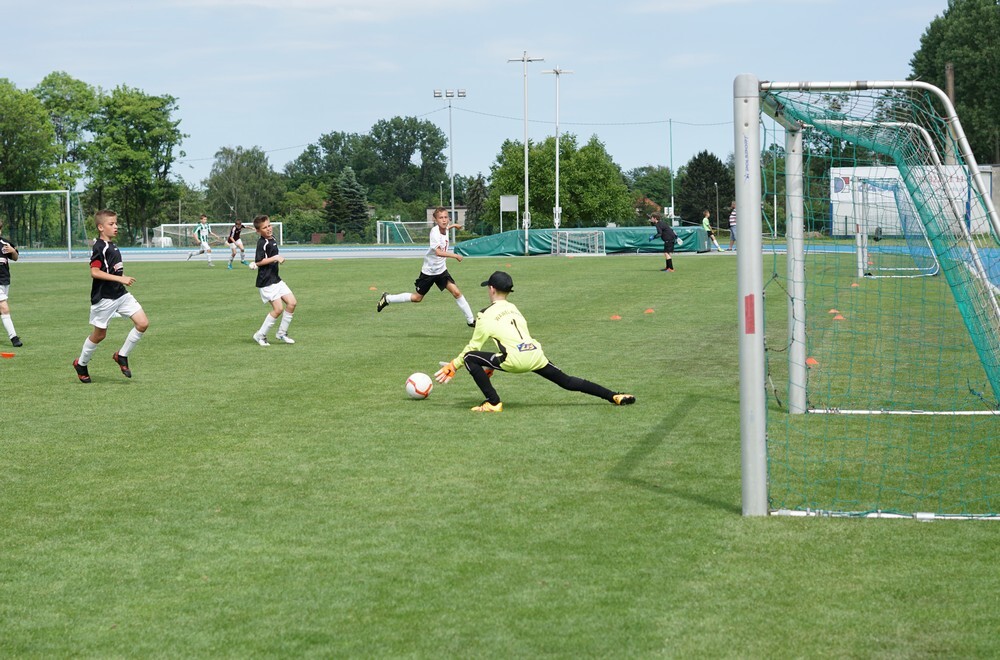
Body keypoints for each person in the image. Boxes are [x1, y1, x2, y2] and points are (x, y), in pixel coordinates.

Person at [433, 271, 636, 413]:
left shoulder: (484, 314)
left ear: (492, 289)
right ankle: (614, 396)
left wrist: (453, 366)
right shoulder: (514, 308)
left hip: (515, 360)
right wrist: (490, 363)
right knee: (567, 381)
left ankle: (493, 403)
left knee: (469, 358)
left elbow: (473, 348)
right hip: (535, 354)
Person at [73, 209, 150, 383]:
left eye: (116, 223)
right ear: (101, 227)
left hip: (121, 295)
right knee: (100, 335)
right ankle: (81, 364)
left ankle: (121, 356)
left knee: (143, 323)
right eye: (111, 224)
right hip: (105, 298)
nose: (115, 227)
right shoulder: (99, 247)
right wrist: (121, 278)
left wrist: (120, 281)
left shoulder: (113, 245)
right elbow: (94, 272)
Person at [376, 207, 475, 326]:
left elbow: (447, 228)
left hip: (441, 271)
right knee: (417, 298)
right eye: (440, 218)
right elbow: (438, 252)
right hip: (429, 272)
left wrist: (454, 226)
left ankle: (471, 321)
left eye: (445, 217)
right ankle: (388, 298)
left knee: (457, 292)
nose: (444, 220)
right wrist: (455, 256)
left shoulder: (445, 228)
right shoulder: (434, 232)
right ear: (435, 220)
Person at [251, 214, 297, 346]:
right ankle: (260, 335)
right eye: (265, 228)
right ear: (258, 231)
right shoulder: (262, 243)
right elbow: (259, 261)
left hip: (276, 279)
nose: (269, 229)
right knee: (278, 309)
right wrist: (276, 257)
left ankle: (282, 333)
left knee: (292, 303)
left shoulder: (272, 238)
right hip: (267, 282)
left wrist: (276, 257)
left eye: (269, 225)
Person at [0, 220, 22, 347]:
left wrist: (13, 251)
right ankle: (14, 338)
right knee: (4, 307)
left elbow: (15, 257)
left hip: (4, 282)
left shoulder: (4, 244)